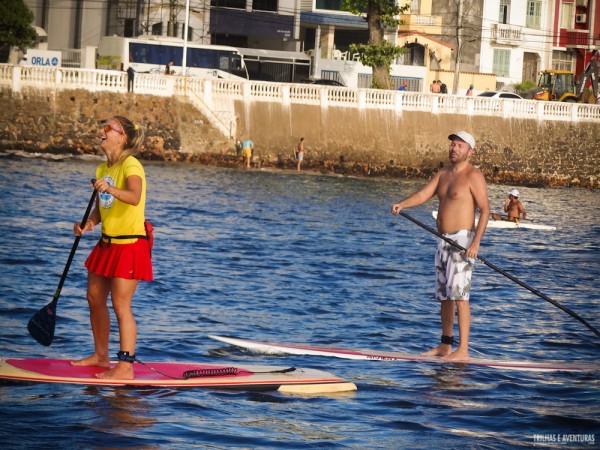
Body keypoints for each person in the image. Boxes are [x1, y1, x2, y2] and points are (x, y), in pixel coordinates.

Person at [391, 131, 490, 361]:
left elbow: (485, 210)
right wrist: (402, 204)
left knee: (460, 296)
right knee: (445, 296)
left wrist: (475, 243)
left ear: (470, 151)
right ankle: (445, 345)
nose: (454, 148)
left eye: (460, 145)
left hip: (462, 242)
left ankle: (463, 350)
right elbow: (424, 194)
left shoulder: (473, 175)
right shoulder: (443, 173)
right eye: (453, 144)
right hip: (442, 241)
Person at [72, 115, 152, 380]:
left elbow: (133, 196)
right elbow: (101, 207)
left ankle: (126, 367)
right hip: (106, 244)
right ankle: (101, 355)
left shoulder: (132, 165)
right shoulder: (101, 169)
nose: (101, 131)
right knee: (94, 298)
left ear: (123, 136)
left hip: (130, 245)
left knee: (120, 304)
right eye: (102, 126)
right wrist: (89, 224)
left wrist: (111, 188)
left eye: (108, 128)